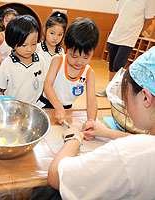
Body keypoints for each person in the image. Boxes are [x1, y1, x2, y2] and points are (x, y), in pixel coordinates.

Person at [48, 46, 155, 199]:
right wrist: (106, 132)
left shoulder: (125, 154)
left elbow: (56, 175)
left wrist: (73, 139)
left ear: (145, 98)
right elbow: (144, 143)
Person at [44, 18, 99, 124]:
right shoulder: (58, 60)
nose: (79, 61)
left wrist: (91, 121)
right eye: (74, 56)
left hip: (68, 108)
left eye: (86, 57)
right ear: (67, 47)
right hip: (48, 104)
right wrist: (58, 107)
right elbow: (47, 86)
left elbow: (91, 100)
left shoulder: (89, 73)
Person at [96, 0, 155, 97]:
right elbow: (118, 15)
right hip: (115, 35)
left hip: (129, 38)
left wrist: (136, 33)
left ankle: (117, 90)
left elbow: (149, 21)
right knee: (112, 66)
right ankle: (109, 89)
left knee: (118, 66)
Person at [0, 15, 47, 107]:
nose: (29, 49)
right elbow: (0, 90)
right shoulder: (7, 64)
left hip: (35, 106)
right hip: (12, 108)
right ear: (13, 43)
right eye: (24, 45)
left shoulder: (40, 60)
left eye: (34, 44)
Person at [36, 11, 68, 109]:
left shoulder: (61, 51)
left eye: (59, 35)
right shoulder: (37, 48)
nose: (55, 38)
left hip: (52, 92)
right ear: (45, 31)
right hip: (37, 92)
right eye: (52, 33)